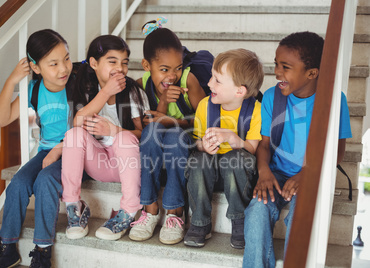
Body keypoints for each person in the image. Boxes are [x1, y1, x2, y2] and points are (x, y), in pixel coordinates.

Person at [242, 31, 352, 268]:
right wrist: (264, 171)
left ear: (312, 73)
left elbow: (338, 151)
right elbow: (264, 144)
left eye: (286, 67)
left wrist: (307, 174)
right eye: (276, 64)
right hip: (277, 172)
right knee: (257, 211)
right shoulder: (273, 97)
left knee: (301, 217)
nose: (277, 72)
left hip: (314, 172)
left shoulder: (334, 100)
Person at [0, 29, 74, 268]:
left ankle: (43, 250)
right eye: (53, 63)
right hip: (46, 151)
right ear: (36, 67)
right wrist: (12, 80)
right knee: (19, 183)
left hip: (77, 150)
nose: (63, 68)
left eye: (66, 58)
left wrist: (62, 148)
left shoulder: (77, 84)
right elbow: (1, 119)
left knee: (45, 181)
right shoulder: (34, 89)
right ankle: (8, 247)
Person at [61, 35, 149, 241]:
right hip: (98, 163)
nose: (120, 68)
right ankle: (74, 206)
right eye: (112, 61)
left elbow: (143, 134)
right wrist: (106, 92)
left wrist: (114, 130)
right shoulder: (86, 89)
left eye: (124, 63)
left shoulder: (133, 92)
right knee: (73, 135)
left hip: (126, 164)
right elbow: (78, 123)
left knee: (124, 139)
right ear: (94, 63)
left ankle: (127, 211)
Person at [128, 17, 207, 245]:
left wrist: (172, 121)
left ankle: (175, 212)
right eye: (164, 69)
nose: (172, 76)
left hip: (186, 140)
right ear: (146, 66)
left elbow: (205, 121)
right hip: (156, 142)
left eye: (178, 67)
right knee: (151, 133)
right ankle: (150, 208)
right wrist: (162, 102)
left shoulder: (188, 80)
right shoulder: (140, 85)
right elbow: (147, 125)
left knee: (174, 135)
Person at [183, 49, 264, 249]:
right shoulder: (205, 105)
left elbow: (252, 149)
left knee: (236, 158)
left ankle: (239, 219)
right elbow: (197, 141)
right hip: (209, 172)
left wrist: (234, 139)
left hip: (237, 175)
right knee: (197, 160)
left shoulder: (255, 110)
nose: (209, 83)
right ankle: (200, 222)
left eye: (217, 80)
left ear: (240, 91)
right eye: (212, 76)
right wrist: (204, 146)